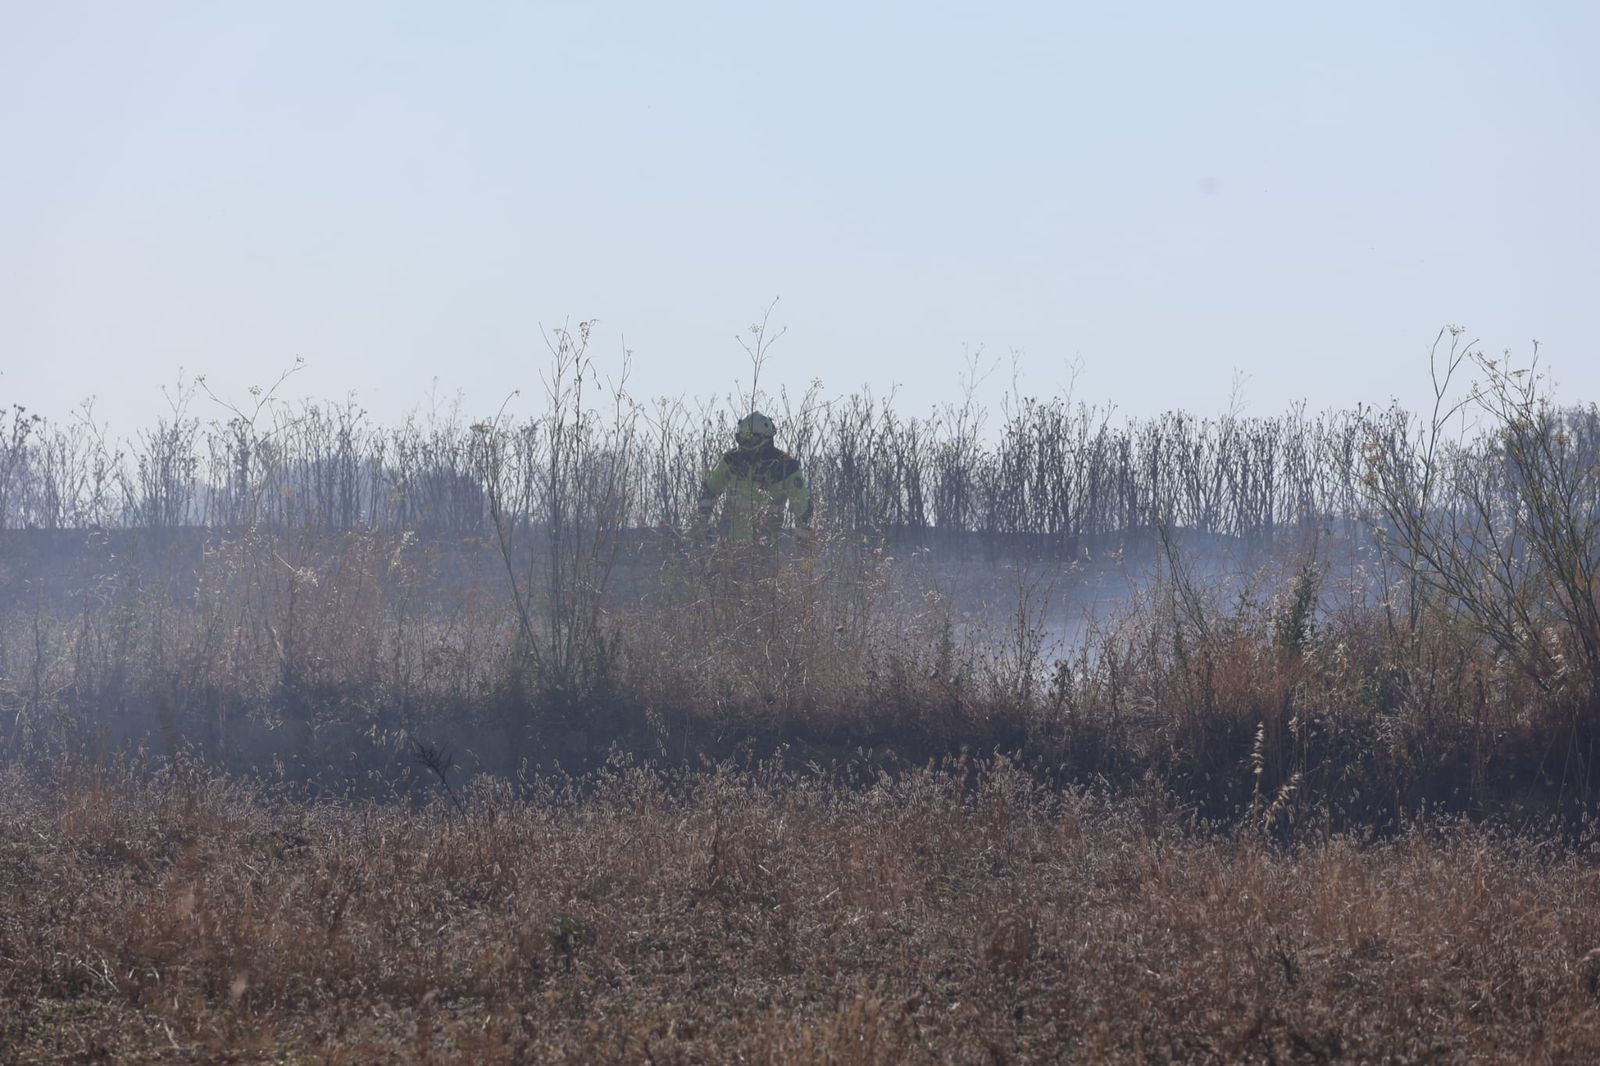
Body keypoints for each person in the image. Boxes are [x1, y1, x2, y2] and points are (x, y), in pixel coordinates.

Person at [697, 411, 813, 543]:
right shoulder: (731, 461)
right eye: (741, 438)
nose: (745, 444)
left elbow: (802, 506)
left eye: (751, 439)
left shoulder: (786, 467)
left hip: (765, 546)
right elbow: (709, 491)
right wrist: (702, 526)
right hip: (728, 545)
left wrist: (803, 543)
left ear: (766, 438)